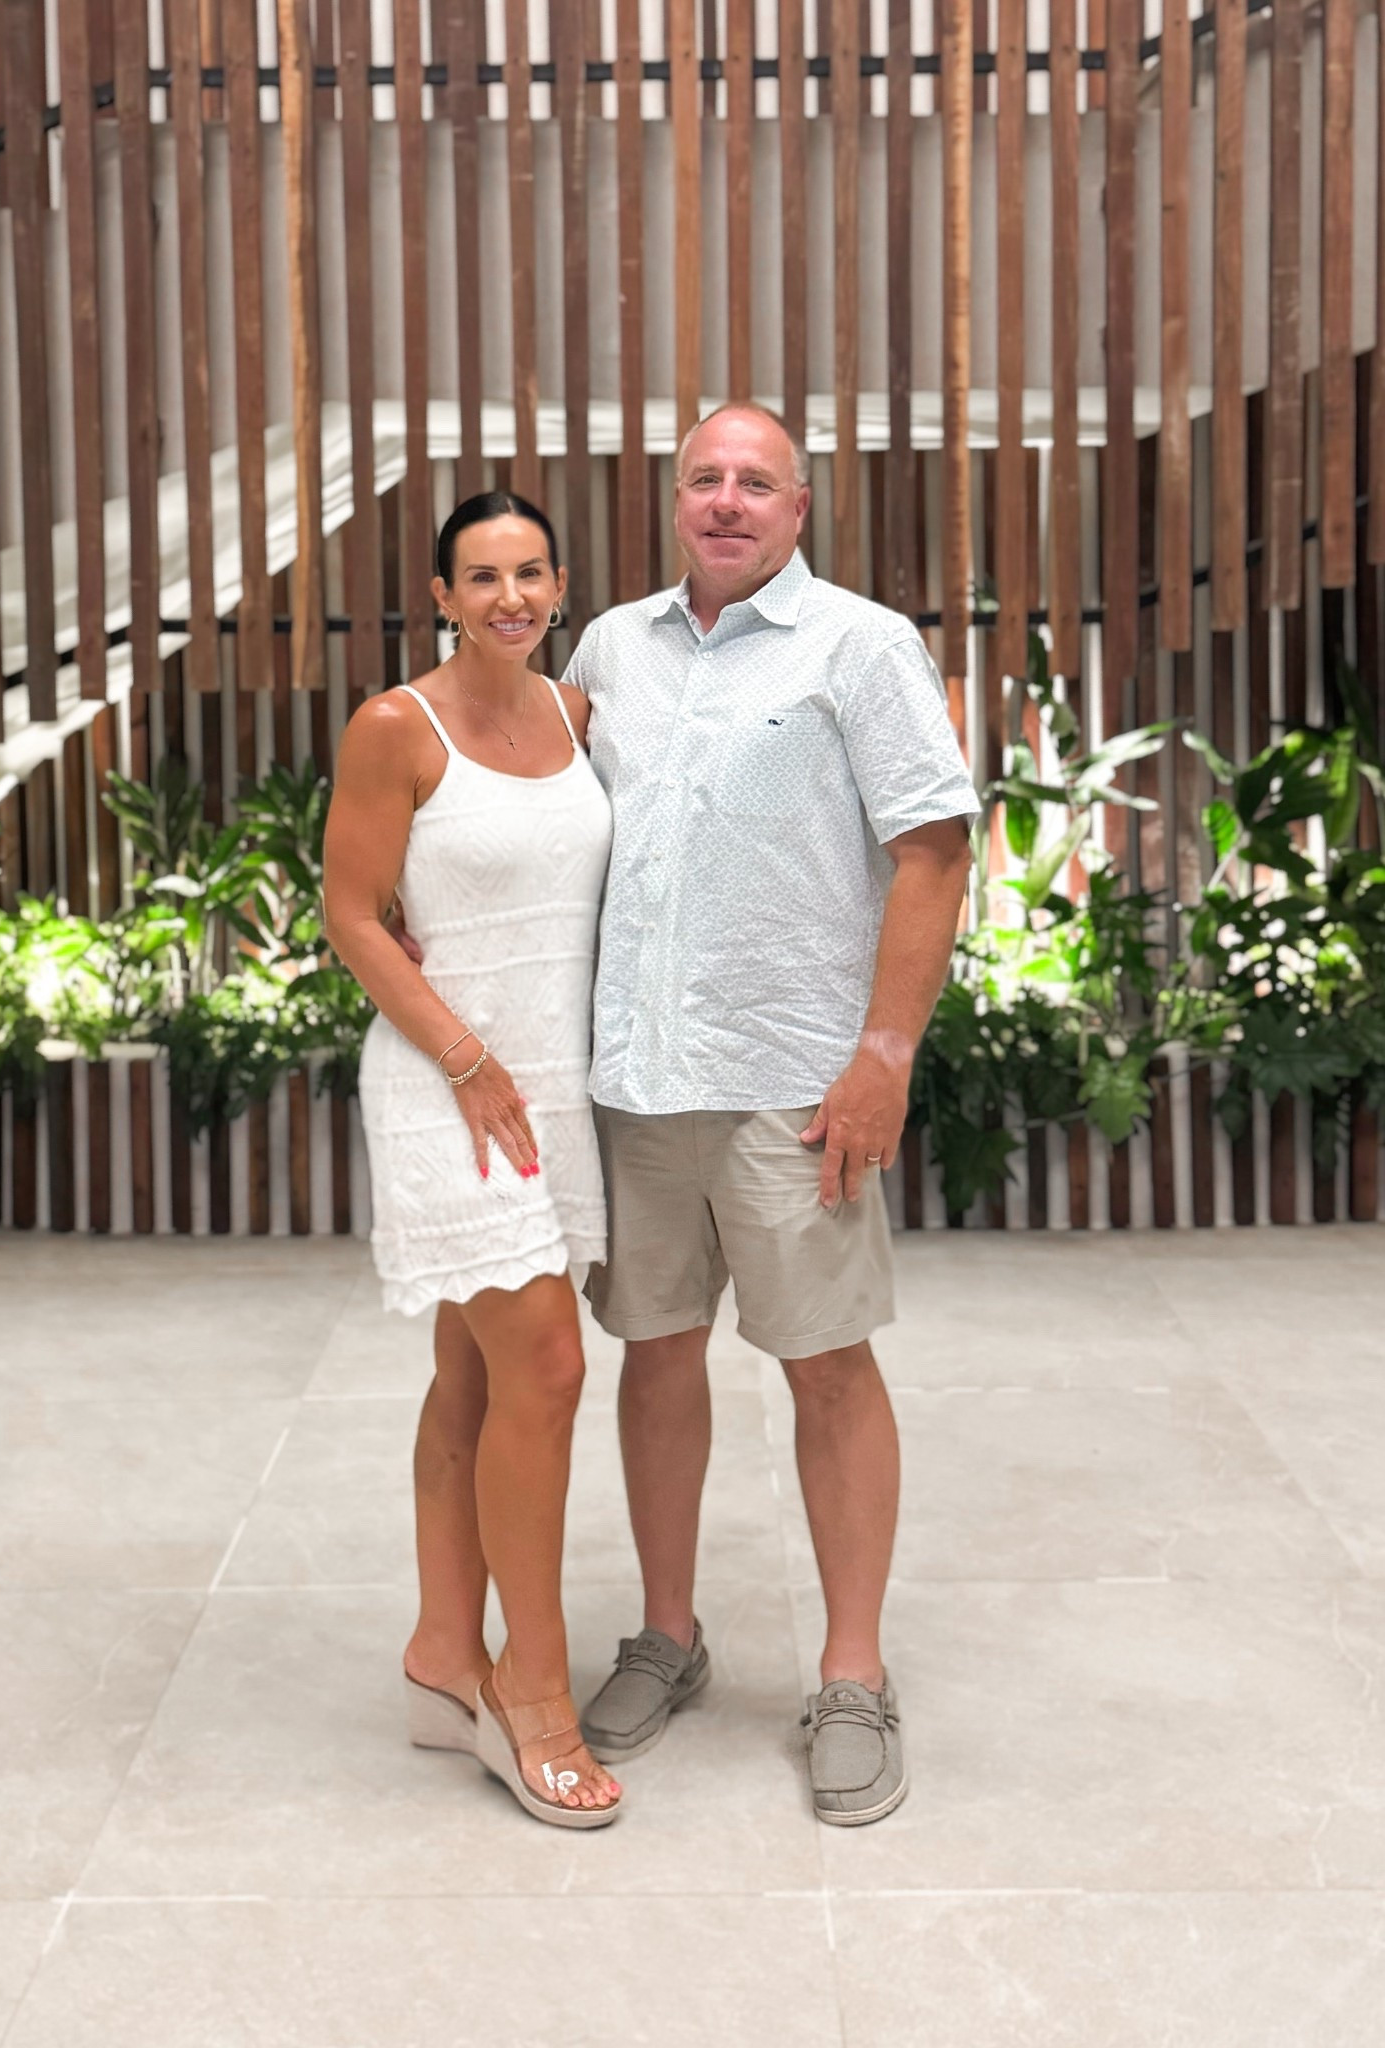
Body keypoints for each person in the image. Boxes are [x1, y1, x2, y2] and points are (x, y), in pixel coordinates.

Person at [566, 402, 976, 1825]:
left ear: (800, 509)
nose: (728, 502)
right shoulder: (610, 648)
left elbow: (932, 849)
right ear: (674, 502)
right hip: (639, 1079)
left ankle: (852, 1674)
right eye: (705, 482)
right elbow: (547, 825)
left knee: (829, 1371)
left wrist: (885, 1052)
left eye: (757, 484)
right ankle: (668, 1636)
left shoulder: (859, 645)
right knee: (656, 1359)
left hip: (797, 1086)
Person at [322, 491, 621, 1829]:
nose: (510, 594)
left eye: (531, 571)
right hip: (453, 1084)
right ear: (439, 595)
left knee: (474, 1369)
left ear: (559, 585)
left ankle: (442, 1650)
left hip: (553, 1085)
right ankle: (530, 1691)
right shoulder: (398, 724)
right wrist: (463, 1057)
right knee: (547, 1364)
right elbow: (350, 908)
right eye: (481, 576)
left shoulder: (577, 716)